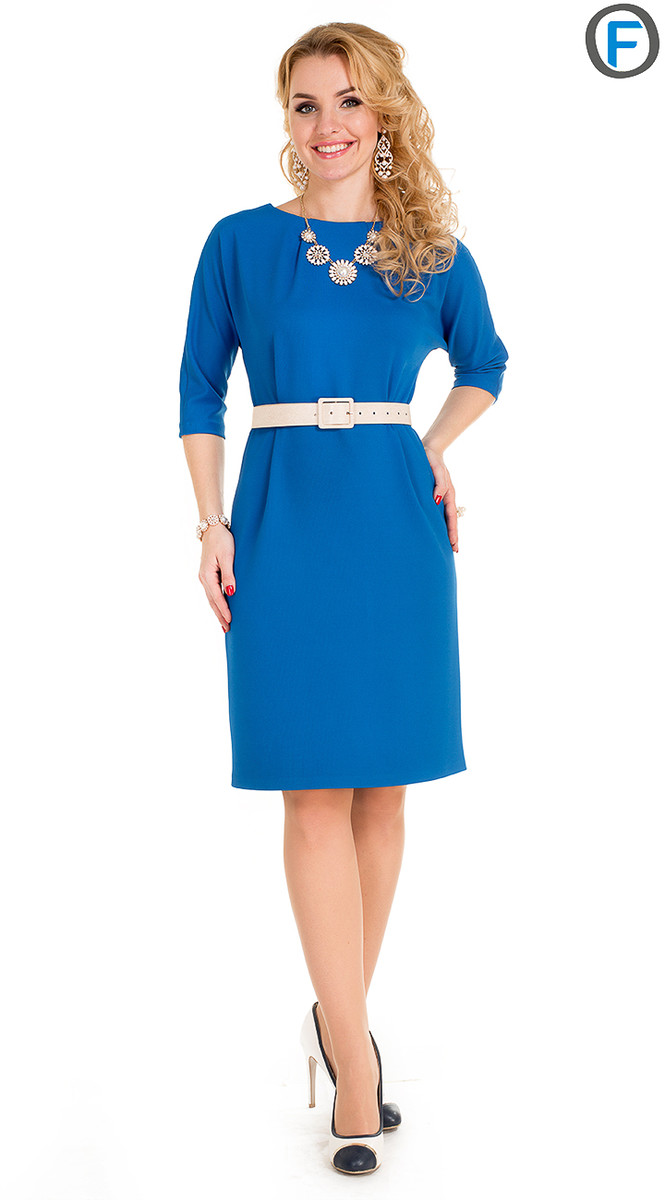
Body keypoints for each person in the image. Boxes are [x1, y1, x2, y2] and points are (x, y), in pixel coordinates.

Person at [178, 22, 508, 1177]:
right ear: (287, 121)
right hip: (280, 522)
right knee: (310, 790)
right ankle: (355, 1070)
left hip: (391, 524)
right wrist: (211, 524)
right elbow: (198, 390)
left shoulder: (430, 248)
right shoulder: (239, 244)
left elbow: (486, 363)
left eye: (349, 102)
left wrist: (430, 446)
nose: (327, 126)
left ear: (384, 115)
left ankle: (335, 1022)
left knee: (382, 794)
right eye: (306, 104)